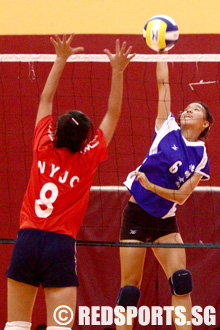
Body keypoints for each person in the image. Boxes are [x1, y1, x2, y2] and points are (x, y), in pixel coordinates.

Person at [4, 34, 135, 330]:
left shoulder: (42, 147)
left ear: (57, 132)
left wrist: (60, 59)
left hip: (26, 241)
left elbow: (45, 99)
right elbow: (113, 114)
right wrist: (117, 71)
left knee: (16, 325)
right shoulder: (87, 159)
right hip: (59, 247)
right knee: (60, 327)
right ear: (85, 140)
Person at [116, 59, 213, 330]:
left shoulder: (202, 156)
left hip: (165, 220)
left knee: (181, 281)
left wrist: (151, 185)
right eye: (187, 108)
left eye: (194, 110)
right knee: (130, 290)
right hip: (136, 214)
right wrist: (160, 51)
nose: (187, 111)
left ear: (204, 123)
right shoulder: (166, 127)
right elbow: (163, 83)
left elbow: (181, 197)